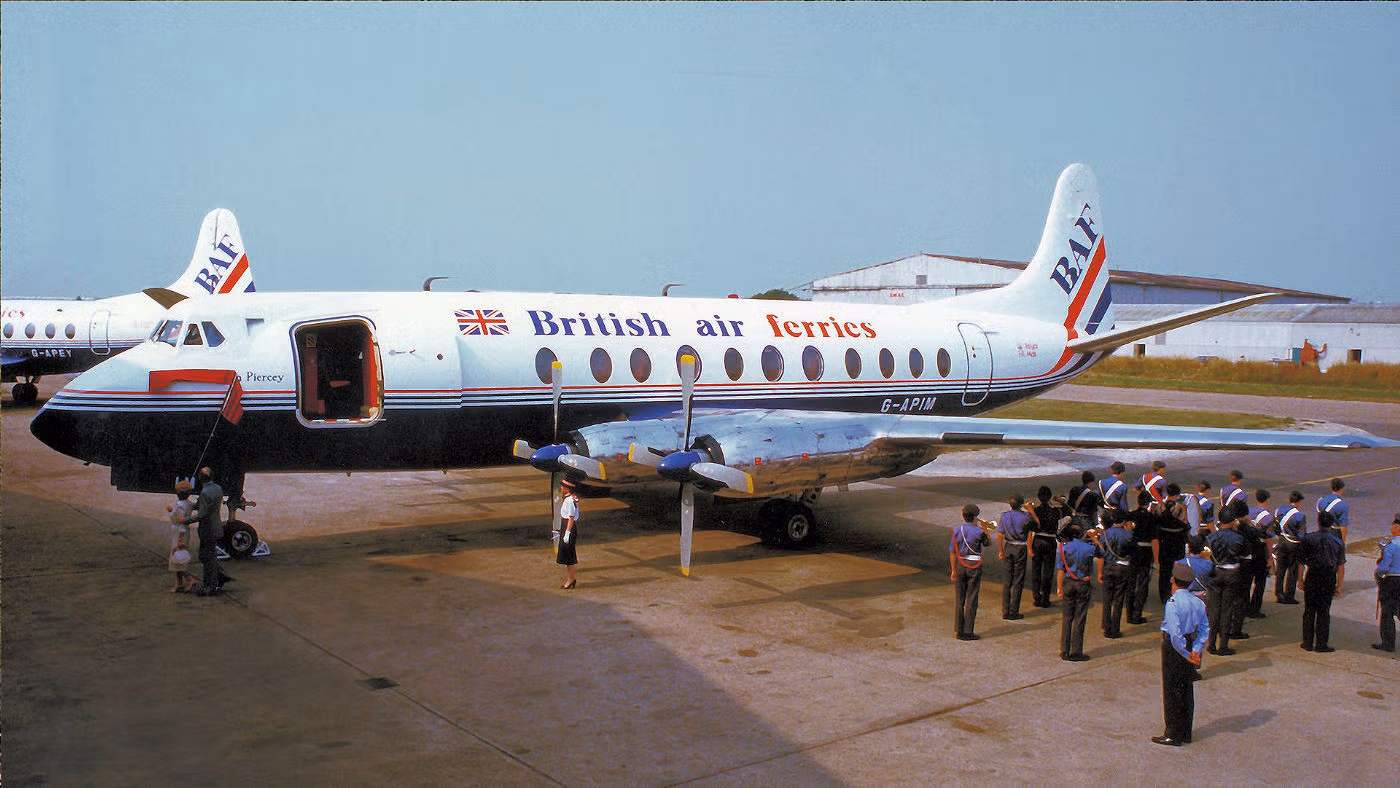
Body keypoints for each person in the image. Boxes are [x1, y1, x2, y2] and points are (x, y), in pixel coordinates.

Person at [1154, 563, 1210, 747]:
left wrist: (1186, 653)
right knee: (1186, 689)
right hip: (1190, 643)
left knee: (1172, 690)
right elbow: (1204, 630)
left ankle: (1172, 733)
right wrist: (1196, 650)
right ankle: (1186, 731)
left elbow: (1175, 634)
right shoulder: (1198, 602)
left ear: (1173, 580)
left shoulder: (1173, 603)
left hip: (1175, 648)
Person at [1299, 509, 1346, 652]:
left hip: (1313, 575)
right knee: (1324, 611)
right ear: (1331, 524)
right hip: (1328, 577)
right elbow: (1340, 565)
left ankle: (1307, 642)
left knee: (1309, 610)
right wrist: (1339, 585)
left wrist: (1300, 579)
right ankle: (1321, 644)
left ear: (1318, 522)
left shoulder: (1308, 539)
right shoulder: (1338, 542)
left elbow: (1301, 561)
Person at [1057, 522, 1100, 661]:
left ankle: (1064, 650)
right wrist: (1094, 539)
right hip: (1082, 583)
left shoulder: (1064, 548)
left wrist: (1059, 587)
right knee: (1079, 618)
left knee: (1067, 618)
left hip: (1068, 582)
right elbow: (1103, 553)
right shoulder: (1089, 548)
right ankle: (1076, 651)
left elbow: (1060, 569)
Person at [1205, 508, 1246, 656]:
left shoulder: (1211, 537)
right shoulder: (1239, 538)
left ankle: (1211, 643)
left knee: (1214, 609)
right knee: (1227, 610)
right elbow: (1245, 556)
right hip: (1232, 573)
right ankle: (1223, 645)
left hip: (1216, 572)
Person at [949, 504, 994, 641]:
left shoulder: (957, 530)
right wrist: (985, 528)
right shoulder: (978, 531)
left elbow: (952, 551)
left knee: (959, 599)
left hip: (960, 564)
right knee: (972, 597)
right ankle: (968, 631)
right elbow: (988, 543)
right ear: (975, 517)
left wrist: (953, 570)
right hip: (974, 565)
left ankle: (959, 629)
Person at [184, 467, 226, 597]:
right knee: (211, 556)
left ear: (200, 478)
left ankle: (210, 585)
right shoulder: (217, 488)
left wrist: (185, 520)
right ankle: (217, 580)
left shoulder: (205, 493)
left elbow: (201, 515)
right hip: (216, 526)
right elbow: (207, 506)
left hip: (207, 529)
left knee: (206, 557)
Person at [997, 494, 1036, 620]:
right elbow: (1037, 524)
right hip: (1020, 547)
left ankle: (1005, 610)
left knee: (1007, 580)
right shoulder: (1026, 517)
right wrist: (1030, 510)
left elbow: (1000, 535)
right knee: (1018, 580)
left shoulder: (1004, 515)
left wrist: (1000, 550)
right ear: (1021, 504)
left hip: (1008, 547)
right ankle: (1014, 611)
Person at [1097, 511, 1134, 639]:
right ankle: (1115, 629)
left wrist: (1100, 572)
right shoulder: (1128, 535)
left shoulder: (1106, 533)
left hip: (1108, 566)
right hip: (1123, 567)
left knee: (1107, 599)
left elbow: (1101, 552)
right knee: (1118, 599)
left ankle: (1106, 626)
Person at [1029, 487, 1068, 608]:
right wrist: (1060, 501)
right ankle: (1046, 598)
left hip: (1038, 539)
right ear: (1050, 497)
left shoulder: (1035, 510)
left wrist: (1029, 547)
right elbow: (1068, 511)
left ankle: (1036, 596)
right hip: (1050, 540)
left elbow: (1030, 529)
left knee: (1036, 570)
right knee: (1048, 571)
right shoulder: (1056, 511)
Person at [1126, 491, 1159, 625]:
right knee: (1143, 583)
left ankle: (1129, 613)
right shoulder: (1152, 518)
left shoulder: (1131, 515)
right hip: (1146, 551)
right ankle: (1137, 613)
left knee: (1131, 582)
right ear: (1149, 503)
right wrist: (1156, 559)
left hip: (1133, 550)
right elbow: (1155, 540)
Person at [1243, 490, 1276, 619]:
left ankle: (1244, 607)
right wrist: (1270, 557)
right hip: (1260, 549)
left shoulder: (1249, 513)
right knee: (1260, 581)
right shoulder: (1268, 517)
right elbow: (1269, 539)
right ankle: (1254, 609)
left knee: (1247, 580)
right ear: (1267, 499)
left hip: (1248, 548)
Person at [1156, 483, 1191, 604]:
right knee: (1176, 569)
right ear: (1177, 494)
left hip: (1163, 542)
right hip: (1177, 542)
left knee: (1164, 570)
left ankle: (1163, 594)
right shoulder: (1180, 508)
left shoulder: (1159, 507)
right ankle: (1175, 592)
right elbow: (1185, 524)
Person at [1273, 491, 1307, 604]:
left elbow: (1276, 528)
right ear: (1298, 502)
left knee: (1280, 569)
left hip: (1282, 541)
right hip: (1293, 543)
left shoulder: (1279, 511)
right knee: (1292, 571)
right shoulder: (1300, 516)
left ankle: (1278, 593)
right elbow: (1301, 534)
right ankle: (1289, 596)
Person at [1317, 478, 1350, 590]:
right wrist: (1343, 541)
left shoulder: (1321, 501)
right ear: (1341, 489)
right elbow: (1343, 525)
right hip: (1335, 533)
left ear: (1331, 488)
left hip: (1323, 530)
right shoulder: (1343, 505)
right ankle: (1339, 587)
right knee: (1339, 562)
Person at [1374, 515, 1400, 653]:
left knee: (1387, 613)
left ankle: (1388, 644)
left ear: (1397, 528)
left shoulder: (1391, 546)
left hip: (1392, 581)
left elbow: (1383, 568)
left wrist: (1377, 574)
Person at [167, 480, 198, 593]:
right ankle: (179, 582)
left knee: (177, 557)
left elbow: (178, 519)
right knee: (178, 557)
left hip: (180, 532)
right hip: (184, 531)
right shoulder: (189, 504)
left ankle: (189, 579)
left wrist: (180, 539)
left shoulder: (180, 505)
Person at [558, 479, 582, 589]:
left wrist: (567, 533)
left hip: (569, 527)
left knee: (569, 554)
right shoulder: (569, 499)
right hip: (565, 526)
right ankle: (571, 578)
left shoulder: (569, 501)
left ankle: (571, 579)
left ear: (567, 488)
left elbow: (571, 518)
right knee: (567, 554)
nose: (561, 488)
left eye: (562, 486)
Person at [1174, 535, 1213, 600]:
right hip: (1202, 597)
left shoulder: (1179, 563)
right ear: (1202, 549)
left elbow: (1174, 584)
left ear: (1188, 547)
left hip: (1184, 597)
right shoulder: (1209, 564)